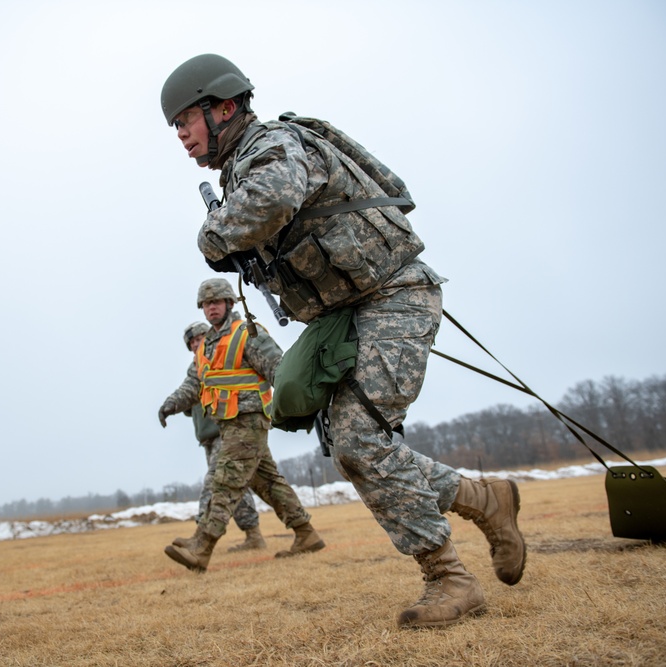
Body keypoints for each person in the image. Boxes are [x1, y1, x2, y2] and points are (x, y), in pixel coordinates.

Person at [160, 54, 526, 628]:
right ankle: (483, 499)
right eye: (175, 127)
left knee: (359, 441)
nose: (180, 135)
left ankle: (450, 579)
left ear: (223, 107)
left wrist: (213, 234)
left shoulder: (273, 145)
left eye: (185, 120)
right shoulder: (240, 168)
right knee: (357, 448)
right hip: (344, 316)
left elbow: (271, 201)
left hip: (392, 296)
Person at [158, 278, 324, 572]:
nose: (211, 308)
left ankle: (203, 545)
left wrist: (298, 407)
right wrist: (170, 404)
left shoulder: (248, 333)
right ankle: (305, 533)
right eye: (207, 304)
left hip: (248, 421)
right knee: (267, 482)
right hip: (227, 423)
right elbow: (195, 383)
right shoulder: (207, 344)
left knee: (225, 481)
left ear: (229, 303)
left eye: (216, 302)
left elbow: (279, 370)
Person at [174, 321, 267, 553]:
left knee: (216, 482)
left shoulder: (216, 364)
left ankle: (200, 537)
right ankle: (256, 535)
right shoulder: (197, 370)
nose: (196, 343)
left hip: (228, 434)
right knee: (245, 485)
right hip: (210, 438)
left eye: (199, 338)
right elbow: (190, 405)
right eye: (192, 342)